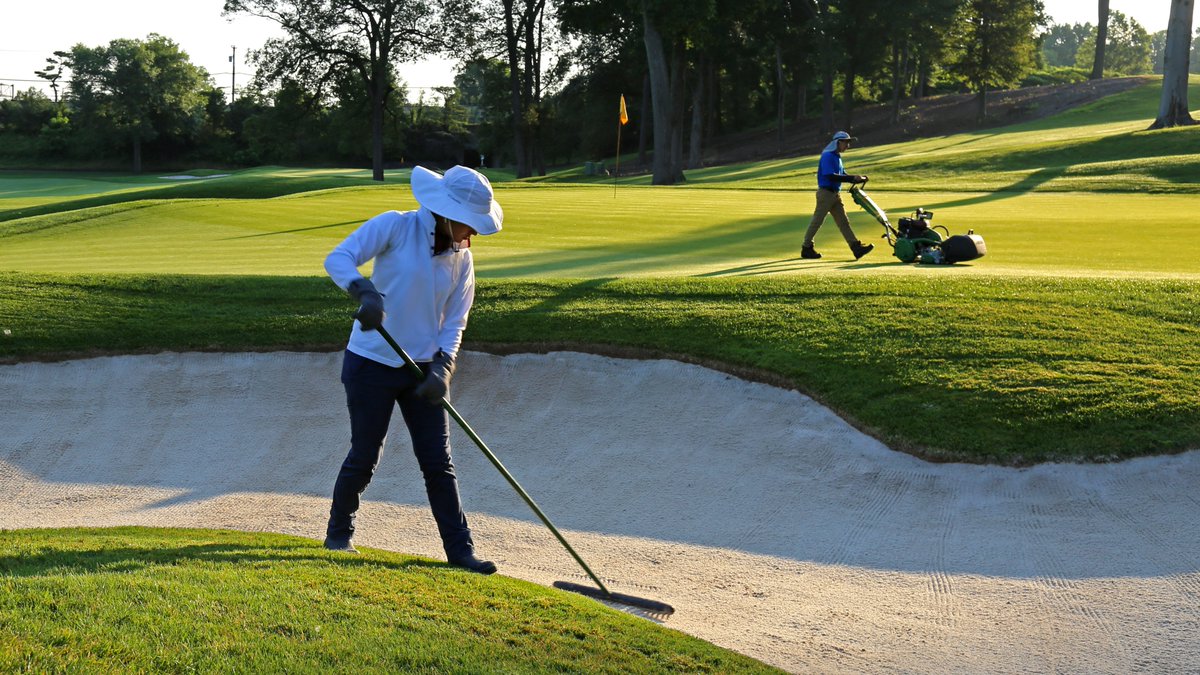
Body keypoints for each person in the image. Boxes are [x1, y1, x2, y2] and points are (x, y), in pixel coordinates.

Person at [322, 165, 503, 575]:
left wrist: (445, 366)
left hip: (423, 370)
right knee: (366, 454)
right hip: (371, 360)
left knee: (438, 462)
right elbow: (339, 258)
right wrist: (363, 290)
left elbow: (456, 321)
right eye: (468, 226)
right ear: (446, 215)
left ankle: (460, 553)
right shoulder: (395, 227)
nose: (471, 235)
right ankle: (338, 535)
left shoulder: (462, 260)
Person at [802, 131, 875, 261]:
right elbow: (831, 176)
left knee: (843, 222)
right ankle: (806, 247)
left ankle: (856, 248)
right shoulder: (828, 156)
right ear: (838, 142)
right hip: (826, 194)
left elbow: (842, 174)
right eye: (846, 143)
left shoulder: (836, 157)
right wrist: (852, 178)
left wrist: (856, 179)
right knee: (817, 221)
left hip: (834, 194)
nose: (848, 146)